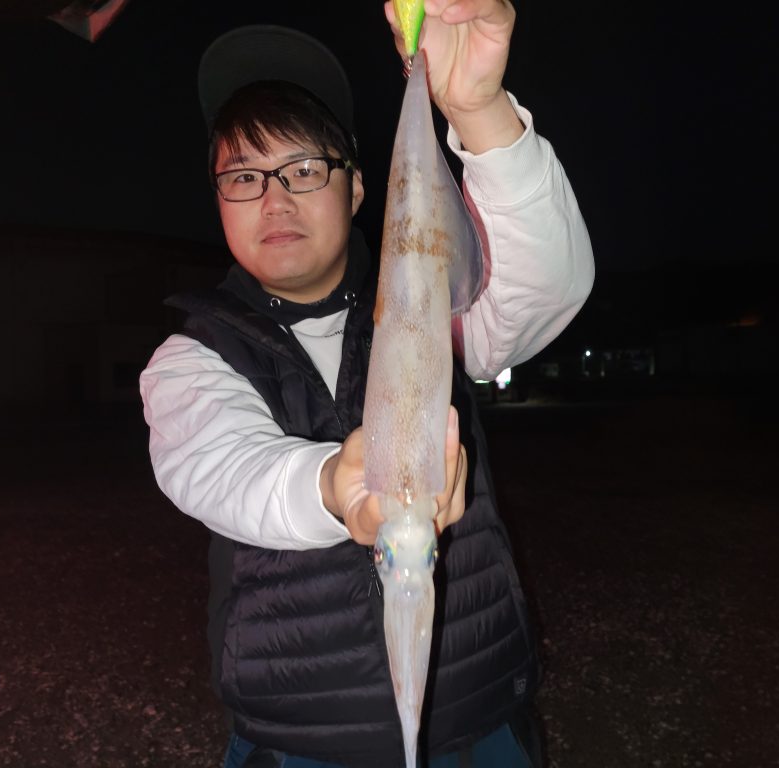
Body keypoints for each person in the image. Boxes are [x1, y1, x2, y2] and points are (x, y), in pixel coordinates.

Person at [140, 2, 594, 766]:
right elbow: (218, 467)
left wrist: (479, 111)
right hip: (295, 744)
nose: (275, 200)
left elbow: (549, 289)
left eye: (304, 169)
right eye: (244, 176)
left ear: (356, 189)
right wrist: (333, 486)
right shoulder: (193, 354)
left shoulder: (441, 312)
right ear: (218, 200)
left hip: (478, 722)